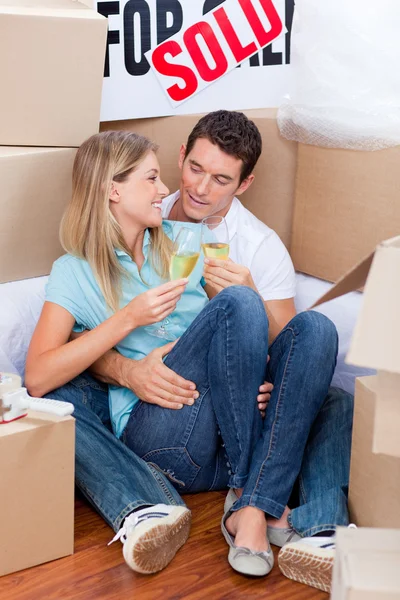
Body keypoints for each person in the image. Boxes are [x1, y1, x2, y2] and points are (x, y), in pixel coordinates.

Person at [23, 116, 345, 588]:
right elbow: (38, 376)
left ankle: (257, 504)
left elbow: (231, 338)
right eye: (153, 178)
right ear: (113, 190)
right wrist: (127, 330)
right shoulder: (75, 269)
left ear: (243, 183)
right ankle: (256, 500)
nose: (167, 190)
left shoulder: (185, 242)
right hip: (163, 433)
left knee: (316, 329)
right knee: (237, 303)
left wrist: (255, 370)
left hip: (219, 428)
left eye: (220, 179)